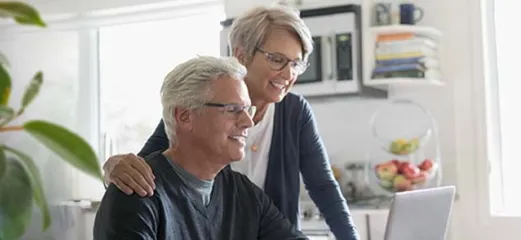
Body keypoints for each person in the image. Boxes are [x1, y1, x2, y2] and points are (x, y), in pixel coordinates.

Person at [99, 4, 359, 240]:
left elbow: (324, 187)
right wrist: (113, 168)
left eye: (296, 63)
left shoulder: (293, 114)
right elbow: (148, 174)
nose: (288, 74)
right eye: (277, 60)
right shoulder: (199, 103)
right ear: (240, 54)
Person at [93, 56, 307, 240]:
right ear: (184, 116)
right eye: (233, 110)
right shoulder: (135, 194)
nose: (248, 122)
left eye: (246, 109)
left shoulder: (244, 195)